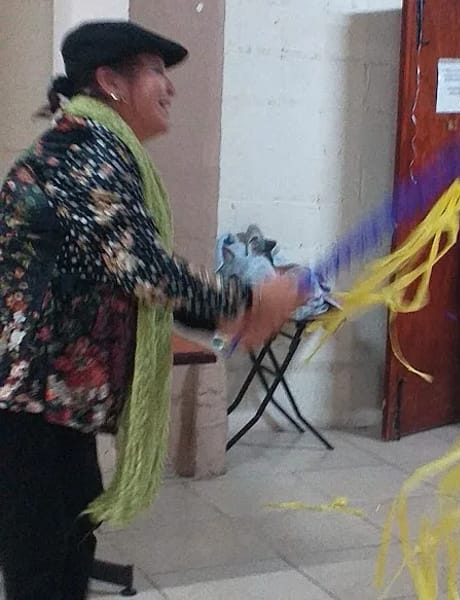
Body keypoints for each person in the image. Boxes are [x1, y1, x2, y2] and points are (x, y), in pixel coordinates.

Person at [0, 21, 304, 600]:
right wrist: (245, 304)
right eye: (156, 71)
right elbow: (144, 270)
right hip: (25, 400)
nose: (170, 87)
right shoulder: (86, 150)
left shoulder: (94, 144)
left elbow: (125, 270)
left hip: (51, 402)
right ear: (110, 81)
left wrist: (245, 305)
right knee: (42, 567)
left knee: (68, 549)